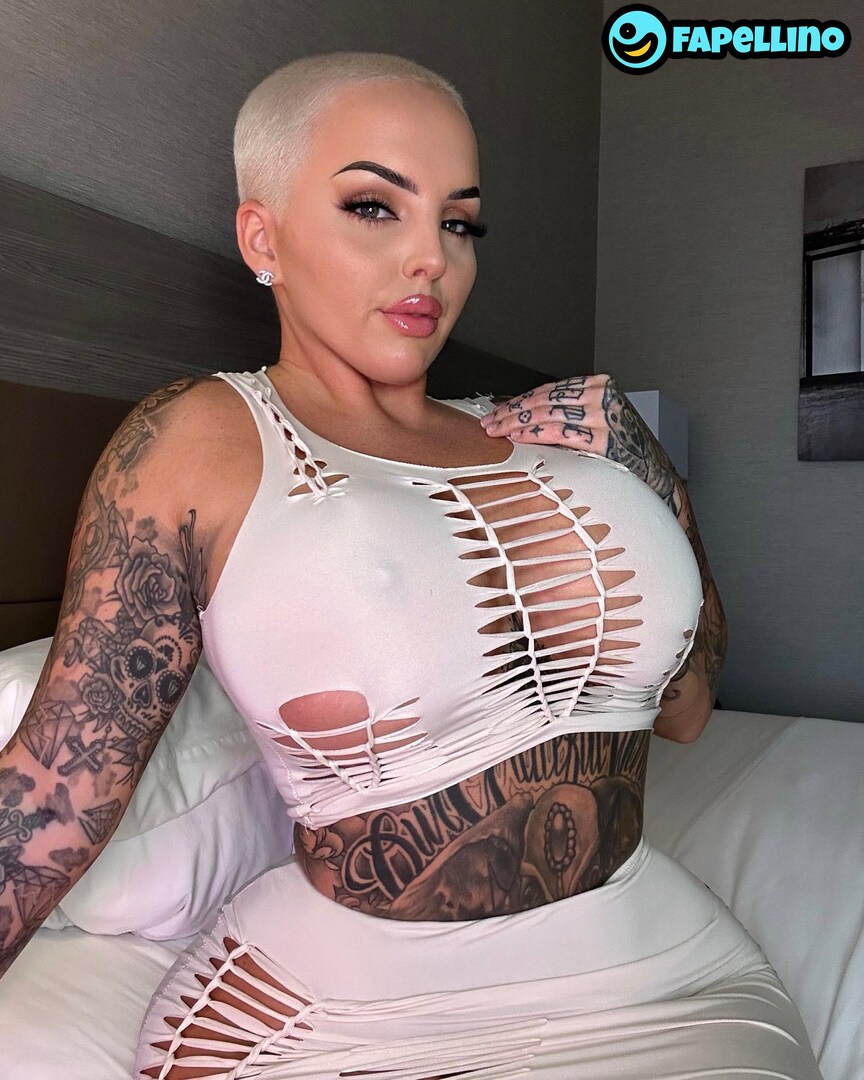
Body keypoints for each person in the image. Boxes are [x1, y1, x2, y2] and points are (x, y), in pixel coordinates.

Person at [0, 51, 821, 1079]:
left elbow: (689, 708)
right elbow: (54, 794)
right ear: (264, 237)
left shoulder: (561, 435)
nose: (431, 257)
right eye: (374, 208)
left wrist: (647, 468)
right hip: (338, 1008)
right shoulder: (202, 438)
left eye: (459, 222)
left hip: (658, 969)